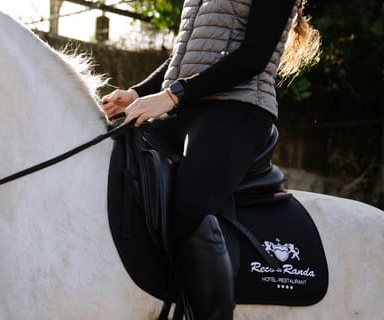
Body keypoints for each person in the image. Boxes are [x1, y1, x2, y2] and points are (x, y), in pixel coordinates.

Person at [101, 0, 321, 319]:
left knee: (189, 207)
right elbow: (188, 57)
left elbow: (253, 57)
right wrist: (136, 94)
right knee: (122, 159)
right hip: (188, 109)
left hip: (240, 111)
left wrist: (172, 95)